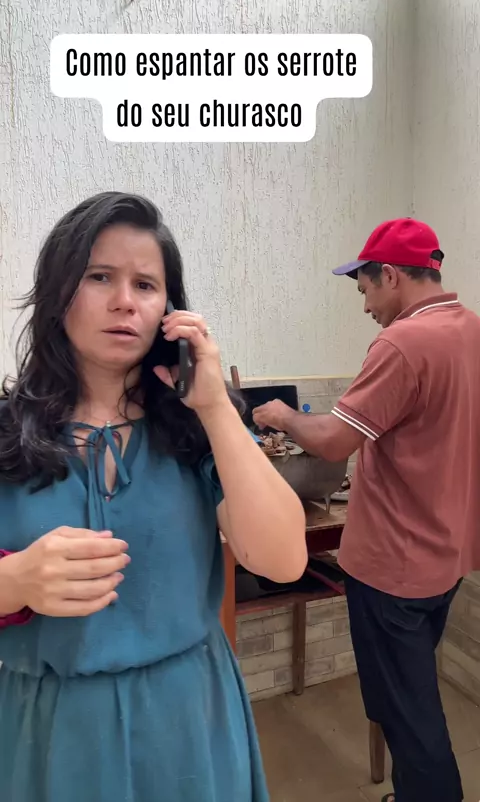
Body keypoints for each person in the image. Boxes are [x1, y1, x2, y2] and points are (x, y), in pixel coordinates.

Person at [0, 192, 308, 802]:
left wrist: (215, 406)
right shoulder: (9, 434)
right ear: (59, 290)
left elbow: (283, 560)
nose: (124, 301)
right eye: (99, 277)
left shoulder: (195, 429)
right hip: (52, 735)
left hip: (189, 721)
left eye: (145, 285)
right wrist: (15, 582)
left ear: (170, 310)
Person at [253, 218, 480, 802]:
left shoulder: (403, 343)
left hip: (393, 571)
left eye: (366, 290)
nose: (366, 307)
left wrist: (281, 416)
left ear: (392, 276)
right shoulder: (471, 330)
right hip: (447, 559)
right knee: (413, 696)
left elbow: (333, 441)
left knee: (410, 719)